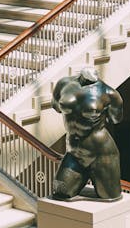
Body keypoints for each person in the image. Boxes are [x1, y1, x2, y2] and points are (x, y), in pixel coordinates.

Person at [51, 67, 123, 201]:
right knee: (60, 192)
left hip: (101, 153)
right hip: (74, 152)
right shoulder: (63, 84)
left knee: (110, 198)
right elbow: (56, 105)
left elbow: (116, 118)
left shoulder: (109, 94)